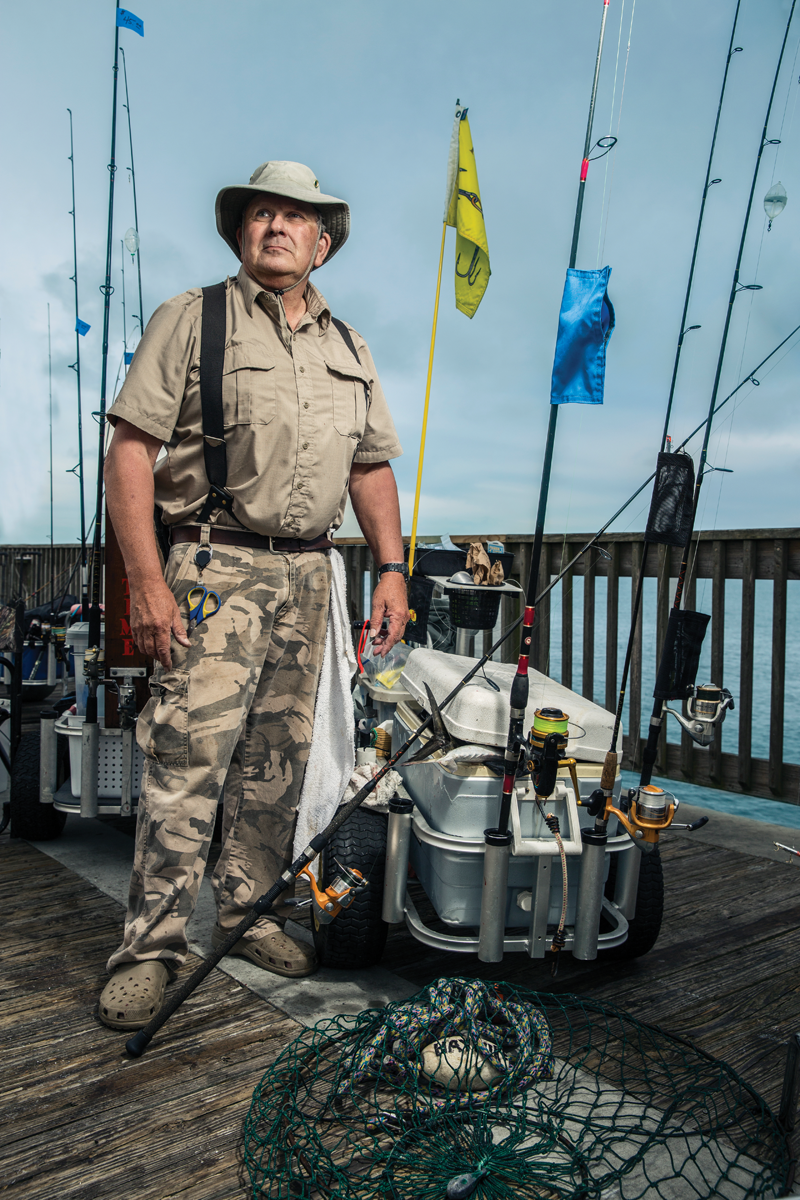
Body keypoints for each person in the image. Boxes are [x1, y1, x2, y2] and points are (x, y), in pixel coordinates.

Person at [98, 160, 408, 1031]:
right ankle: (151, 950)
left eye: (294, 218)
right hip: (211, 565)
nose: (275, 227)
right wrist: (148, 583)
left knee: (277, 765)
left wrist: (391, 568)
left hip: (313, 575)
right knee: (185, 763)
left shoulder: (351, 346)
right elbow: (130, 454)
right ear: (242, 233)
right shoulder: (190, 318)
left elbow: (370, 466)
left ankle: (246, 914)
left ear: (323, 243)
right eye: (260, 214)